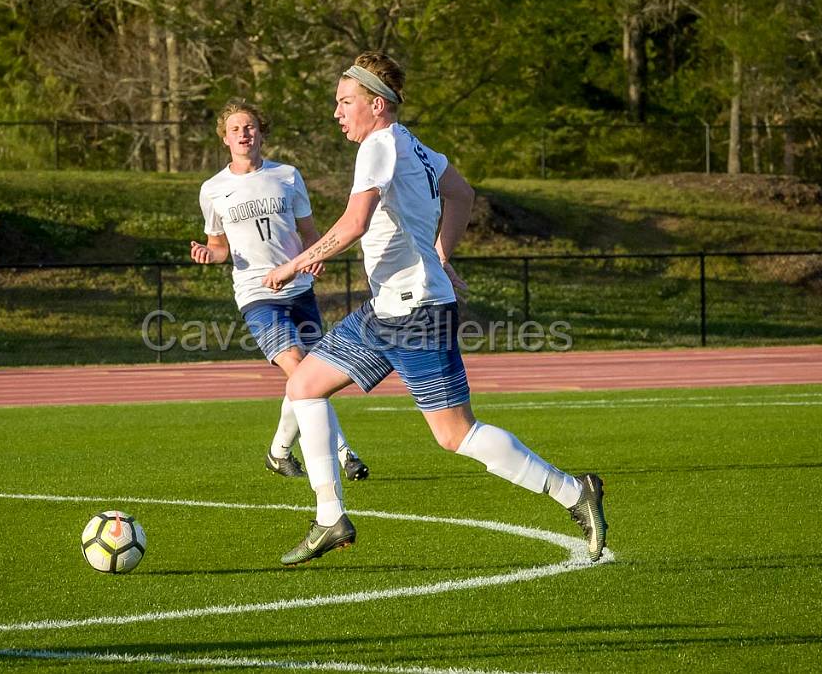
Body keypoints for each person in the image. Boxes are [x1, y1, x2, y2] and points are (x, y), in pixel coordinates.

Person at [263, 53, 607, 566]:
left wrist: (295, 265)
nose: (338, 112)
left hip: (416, 315)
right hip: (386, 310)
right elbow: (462, 194)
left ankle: (573, 491)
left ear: (376, 105)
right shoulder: (415, 147)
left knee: (455, 434)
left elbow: (355, 222)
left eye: (345, 102)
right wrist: (441, 255)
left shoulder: (379, 144)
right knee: (303, 385)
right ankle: (330, 516)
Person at [194, 98, 370, 482]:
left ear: (261, 133)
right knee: (302, 370)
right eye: (236, 129)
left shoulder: (288, 175)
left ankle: (278, 451)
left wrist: (316, 255)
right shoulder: (213, 189)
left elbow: (310, 234)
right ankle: (345, 454)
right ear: (225, 138)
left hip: (300, 290)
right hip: (257, 295)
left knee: (309, 380)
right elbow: (220, 247)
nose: (244, 134)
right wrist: (210, 253)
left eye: (250, 127)